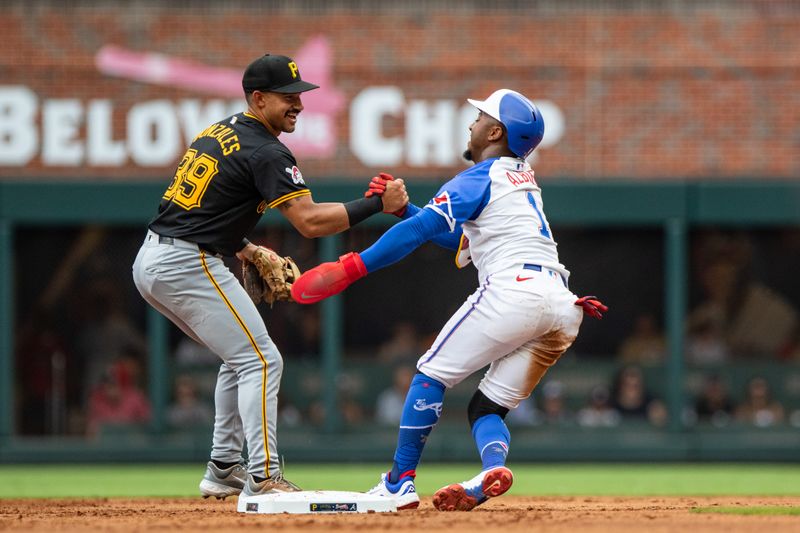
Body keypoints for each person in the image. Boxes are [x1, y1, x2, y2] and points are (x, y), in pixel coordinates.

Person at [291, 89, 606, 511]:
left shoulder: (481, 176)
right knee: (486, 407)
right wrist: (406, 210)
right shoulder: (520, 180)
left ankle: (399, 481)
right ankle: (491, 469)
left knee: (429, 375)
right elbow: (460, 241)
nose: (472, 123)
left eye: (480, 118)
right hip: (563, 306)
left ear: (496, 131)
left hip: (514, 291)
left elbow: (421, 232)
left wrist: (355, 266)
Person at [132, 53, 408, 499]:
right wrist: (379, 205)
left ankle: (223, 468)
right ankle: (263, 477)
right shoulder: (266, 149)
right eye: (287, 97)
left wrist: (247, 246)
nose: (298, 104)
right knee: (262, 359)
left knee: (239, 358)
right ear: (258, 99)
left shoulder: (220, 130)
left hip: (157, 258)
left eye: (300, 95)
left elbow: (203, 209)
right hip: (186, 262)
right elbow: (311, 222)